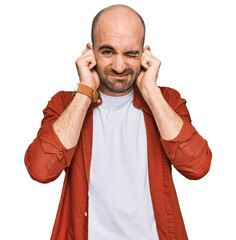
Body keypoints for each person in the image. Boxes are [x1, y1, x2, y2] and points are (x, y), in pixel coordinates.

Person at [24, 4, 212, 240]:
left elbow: (197, 167)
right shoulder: (65, 104)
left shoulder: (167, 101)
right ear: (90, 53)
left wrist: (151, 92)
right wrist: (85, 92)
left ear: (145, 54)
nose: (120, 66)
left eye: (131, 54)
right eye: (108, 52)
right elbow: (41, 171)